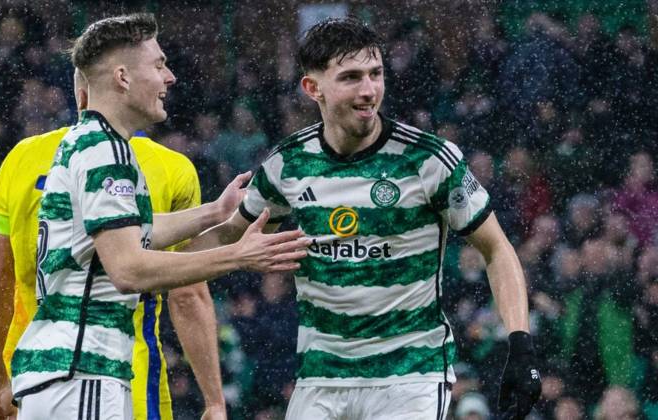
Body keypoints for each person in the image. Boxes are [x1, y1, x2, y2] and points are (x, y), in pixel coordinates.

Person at [181, 18, 541, 419]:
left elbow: (496, 248)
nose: (369, 90)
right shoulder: (289, 163)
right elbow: (230, 235)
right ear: (312, 88)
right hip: (320, 378)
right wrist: (155, 267)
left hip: (410, 376)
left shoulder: (429, 159)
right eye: (351, 77)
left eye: (375, 74)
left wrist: (520, 344)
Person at [6, 13, 308, 420]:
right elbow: (128, 268)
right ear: (123, 77)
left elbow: (126, 232)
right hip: (82, 372)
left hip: (64, 372)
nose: (170, 77)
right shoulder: (106, 153)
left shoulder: (88, 142)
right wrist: (238, 256)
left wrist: (215, 212)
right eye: (159, 65)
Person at [0, 68, 230, 419]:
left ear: (81, 93)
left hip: (32, 380)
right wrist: (214, 400)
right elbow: (187, 295)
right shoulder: (170, 168)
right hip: (121, 376)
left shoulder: (23, 157)